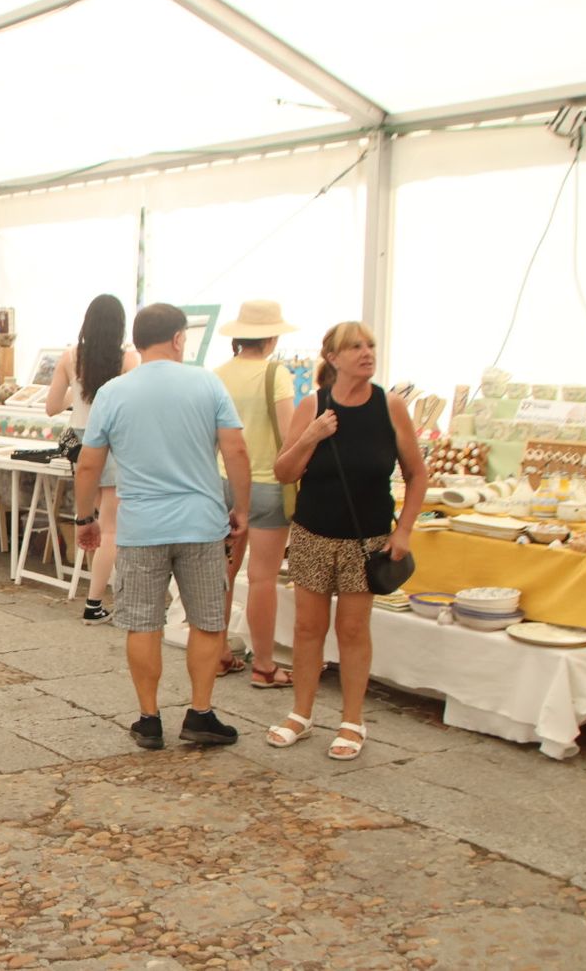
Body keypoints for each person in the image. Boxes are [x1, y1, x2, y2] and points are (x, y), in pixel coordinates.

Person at [74, 303, 250, 751]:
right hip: (201, 523)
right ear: (177, 339)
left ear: (137, 341)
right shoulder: (207, 383)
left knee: (143, 624)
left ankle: (149, 718)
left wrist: (85, 517)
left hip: (140, 526)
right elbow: (236, 450)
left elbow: (89, 463)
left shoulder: (114, 392)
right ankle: (201, 712)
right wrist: (242, 509)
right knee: (207, 621)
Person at [267, 321, 427, 760]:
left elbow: (417, 474)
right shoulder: (312, 405)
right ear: (333, 359)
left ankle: (353, 721)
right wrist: (312, 436)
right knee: (306, 628)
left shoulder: (390, 406)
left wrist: (405, 530)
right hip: (313, 532)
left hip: (367, 538)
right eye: (355, 346)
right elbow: (284, 472)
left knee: (353, 629)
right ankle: (301, 713)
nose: (366, 352)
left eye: (370, 345)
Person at [213, 301, 298, 688]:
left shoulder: (217, 375)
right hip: (266, 482)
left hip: (220, 480)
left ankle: (217, 654)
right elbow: (290, 432)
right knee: (262, 578)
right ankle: (264, 665)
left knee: (222, 573)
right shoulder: (276, 375)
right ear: (271, 337)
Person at [46, 294, 140, 623]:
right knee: (111, 529)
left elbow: (51, 407)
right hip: (113, 444)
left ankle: (96, 595)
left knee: (93, 520)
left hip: (79, 443)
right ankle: (94, 602)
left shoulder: (70, 357)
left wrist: (77, 387)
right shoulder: (128, 361)